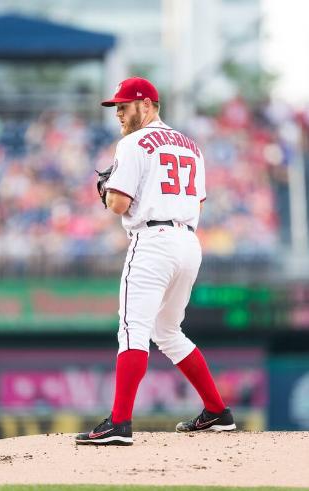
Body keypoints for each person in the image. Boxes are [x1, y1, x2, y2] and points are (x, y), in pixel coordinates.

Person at [75, 77, 236, 446]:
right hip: (187, 242)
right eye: (116, 106)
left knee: (132, 329)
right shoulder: (192, 146)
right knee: (168, 331)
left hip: (152, 241)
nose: (118, 113)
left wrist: (104, 191)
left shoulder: (132, 143)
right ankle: (217, 411)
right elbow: (198, 204)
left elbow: (117, 204)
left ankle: (119, 422)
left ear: (146, 105)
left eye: (124, 106)